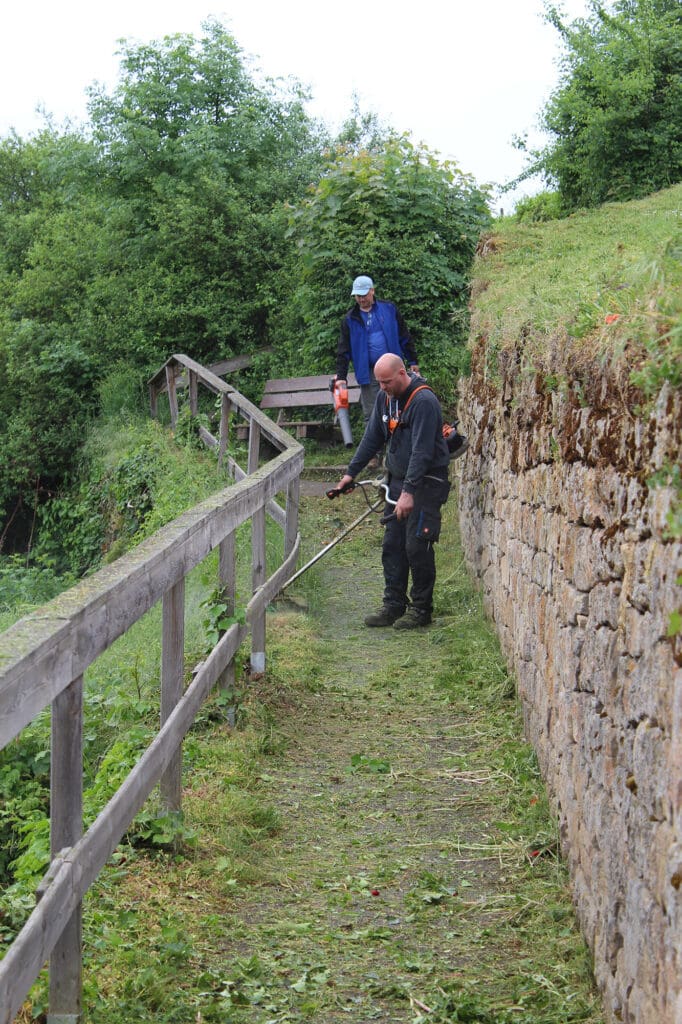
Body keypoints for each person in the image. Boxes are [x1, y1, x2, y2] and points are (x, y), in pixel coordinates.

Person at [335, 353, 451, 630]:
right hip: (399, 480)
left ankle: (421, 610)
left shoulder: (423, 401)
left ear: (402, 374)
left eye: (387, 382)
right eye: (379, 382)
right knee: (392, 546)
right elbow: (373, 436)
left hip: (425, 482)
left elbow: (422, 452)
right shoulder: (385, 399)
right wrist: (351, 473)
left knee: (417, 546)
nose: (383, 387)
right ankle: (393, 605)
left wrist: (409, 492)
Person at [335, 275, 420, 427]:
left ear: (372, 291)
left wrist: (413, 360)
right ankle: (375, 449)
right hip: (368, 373)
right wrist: (341, 376)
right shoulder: (350, 319)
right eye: (357, 296)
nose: (361, 299)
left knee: (398, 407)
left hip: (393, 369)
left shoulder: (389, 309)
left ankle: (398, 443)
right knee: (372, 412)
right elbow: (344, 349)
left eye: (364, 295)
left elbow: (404, 335)